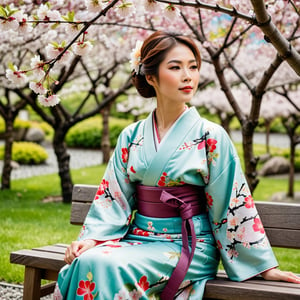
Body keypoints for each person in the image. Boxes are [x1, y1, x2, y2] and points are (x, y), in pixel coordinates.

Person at [54, 31, 300, 300]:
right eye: (175, 67)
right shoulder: (131, 136)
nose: (188, 76)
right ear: (151, 77)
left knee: (103, 265)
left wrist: (263, 266)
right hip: (138, 238)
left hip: (190, 244)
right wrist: (93, 239)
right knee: (86, 261)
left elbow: (231, 202)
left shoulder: (211, 136)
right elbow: (112, 198)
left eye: (193, 67)